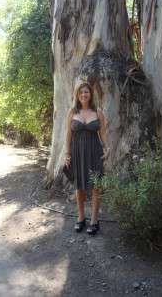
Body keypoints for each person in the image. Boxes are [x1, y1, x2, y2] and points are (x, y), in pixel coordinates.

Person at [65, 82, 110, 235]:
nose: (84, 95)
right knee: (79, 185)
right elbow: (68, 134)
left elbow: (103, 132)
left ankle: (94, 220)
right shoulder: (71, 112)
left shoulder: (98, 111)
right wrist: (67, 154)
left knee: (95, 185)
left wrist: (107, 148)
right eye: (81, 92)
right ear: (77, 95)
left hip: (95, 151)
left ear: (91, 94)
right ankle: (81, 217)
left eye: (86, 92)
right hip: (77, 152)